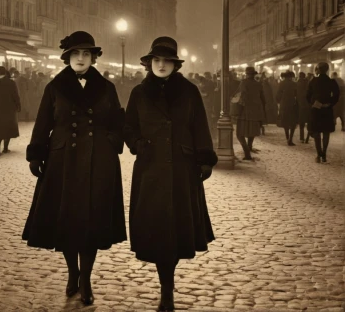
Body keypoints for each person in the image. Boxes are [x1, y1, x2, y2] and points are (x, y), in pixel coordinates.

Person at [22, 31, 126, 306]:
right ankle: (72, 274)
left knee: (92, 222)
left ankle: (86, 280)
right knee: (67, 221)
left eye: (87, 54)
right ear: (67, 57)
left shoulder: (106, 87)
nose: (81, 58)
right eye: (76, 54)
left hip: (98, 162)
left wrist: (111, 142)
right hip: (63, 162)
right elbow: (43, 122)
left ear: (93, 58)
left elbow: (118, 121)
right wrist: (36, 154)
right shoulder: (54, 87)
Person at [124, 37, 217, 311]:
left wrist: (204, 158)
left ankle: (167, 289)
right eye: (156, 60)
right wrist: (137, 143)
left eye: (166, 60)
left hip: (181, 168)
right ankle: (166, 284)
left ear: (175, 65)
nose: (161, 65)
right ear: (149, 63)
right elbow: (128, 126)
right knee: (156, 229)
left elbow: (200, 124)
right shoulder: (139, 93)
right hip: (150, 169)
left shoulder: (189, 91)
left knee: (175, 228)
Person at [307, 62, 340, 163]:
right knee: (326, 132)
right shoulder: (331, 81)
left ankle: (318, 154)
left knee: (316, 132)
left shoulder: (313, 81)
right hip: (327, 109)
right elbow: (336, 95)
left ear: (318, 69)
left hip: (316, 109)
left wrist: (314, 103)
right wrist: (329, 103)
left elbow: (308, 95)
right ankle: (324, 154)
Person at [0, 66, 21, 157]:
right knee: (7, 127)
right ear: (5, 73)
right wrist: (18, 106)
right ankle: (5, 148)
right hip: (10, 108)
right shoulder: (11, 82)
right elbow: (16, 96)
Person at [235, 66, 266, 160]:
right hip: (255, 111)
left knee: (239, 134)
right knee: (251, 133)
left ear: (247, 74)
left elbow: (241, 96)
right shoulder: (258, 84)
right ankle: (249, 149)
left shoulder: (243, 83)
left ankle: (247, 153)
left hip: (245, 111)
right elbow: (263, 98)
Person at [276, 70, 299, 146]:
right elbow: (297, 94)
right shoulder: (294, 84)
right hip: (292, 104)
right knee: (292, 122)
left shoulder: (281, 83)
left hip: (283, 104)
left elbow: (278, 94)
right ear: (290, 76)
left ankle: (287, 138)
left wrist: (278, 101)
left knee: (285, 121)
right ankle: (290, 139)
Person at [296, 72, 311, 143]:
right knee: (309, 121)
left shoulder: (297, 83)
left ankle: (301, 137)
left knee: (301, 123)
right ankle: (308, 137)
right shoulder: (308, 83)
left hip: (300, 105)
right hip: (308, 105)